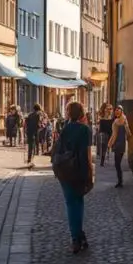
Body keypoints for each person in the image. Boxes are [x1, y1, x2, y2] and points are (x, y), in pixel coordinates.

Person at [53, 102, 94, 254]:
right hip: (80, 170)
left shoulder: (65, 129)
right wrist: (91, 173)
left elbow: (58, 149)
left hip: (65, 170)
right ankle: (78, 235)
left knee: (70, 203)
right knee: (79, 201)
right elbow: (88, 155)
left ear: (69, 114)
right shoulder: (85, 130)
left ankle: (76, 237)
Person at [107, 105, 131, 187]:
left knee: (117, 164)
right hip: (122, 144)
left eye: (118, 110)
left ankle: (120, 181)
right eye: (116, 110)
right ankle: (120, 181)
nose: (116, 111)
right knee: (117, 164)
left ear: (121, 111)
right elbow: (128, 133)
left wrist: (110, 144)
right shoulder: (124, 119)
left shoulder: (116, 121)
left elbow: (114, 135)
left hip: (118, 144)